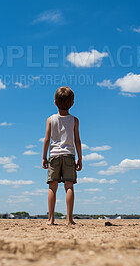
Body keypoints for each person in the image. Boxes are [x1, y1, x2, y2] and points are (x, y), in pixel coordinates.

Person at [42, 86, 82, 225]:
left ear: (55, 102)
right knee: (69, 186)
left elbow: (47, 140)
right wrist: (80, 158)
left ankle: (51, 219)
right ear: (72, 103)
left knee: (52, 187)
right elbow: (77, 140)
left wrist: (44, 157)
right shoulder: (74, 120)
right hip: (69, 155)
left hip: (54, 155)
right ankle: (69, 219)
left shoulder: (50, 119)